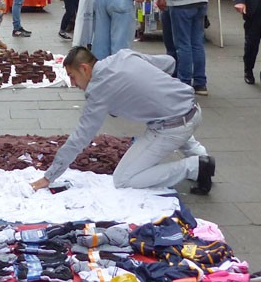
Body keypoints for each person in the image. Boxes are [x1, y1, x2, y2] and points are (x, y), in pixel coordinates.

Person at [31, 46, 214, 195]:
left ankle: (194, 166)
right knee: (167, 111)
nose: (72, 83)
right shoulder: (124, 55)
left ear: (84, 69)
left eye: (72, 76)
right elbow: (169, 63)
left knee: (123, 180)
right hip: (192, 108)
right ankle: (199, 154)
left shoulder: (98, 91)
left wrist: (49, 176)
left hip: (172, 126)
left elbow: (80, 137)